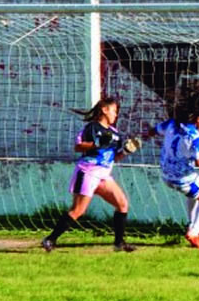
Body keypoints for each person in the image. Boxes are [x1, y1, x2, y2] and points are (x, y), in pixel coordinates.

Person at [41, 97, 140, 253]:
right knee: (78, 210)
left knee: (122, 204)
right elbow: (78, 147)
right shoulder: (92, 128)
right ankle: (50, 239)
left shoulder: (115, 134)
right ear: (105, 110)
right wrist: (97, 144)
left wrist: (126, 151)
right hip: (88, 171)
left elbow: (114, 157)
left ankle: (119, 243)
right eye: (114, 111)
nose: (116, 115)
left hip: (104, 175)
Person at [147, 83, 199, 249]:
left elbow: (153, 131)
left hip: (166, 174)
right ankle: (194, 232)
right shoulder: (196, 137)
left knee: (195, 192)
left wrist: (142, 138)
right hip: (182, 177)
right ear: (198, 118)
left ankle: (193, 224)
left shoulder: (173, 124)